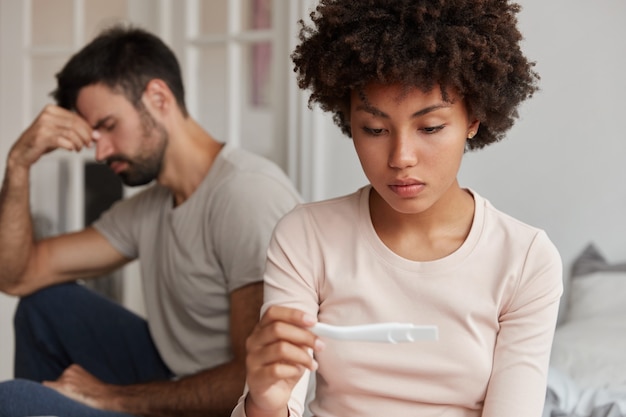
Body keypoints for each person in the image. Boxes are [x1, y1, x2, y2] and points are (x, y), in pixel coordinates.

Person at [232, 1, 564, 416]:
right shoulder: (306, 236)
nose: (401, 156)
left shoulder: (526, 259)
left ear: (474, 117)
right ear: (347, 119)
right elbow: (278, 401)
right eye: (374, 129)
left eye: (430, 127)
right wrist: (264, 401)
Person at [0, 24, 302, 417]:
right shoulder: (151, 206)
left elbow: (258, 383)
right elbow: (16, 275)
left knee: (13, 401)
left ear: (159, 97)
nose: (101, 152)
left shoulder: (245, 195)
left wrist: (113, 398)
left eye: (108, 126)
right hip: (177, 376)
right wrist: (18, 163)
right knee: (44, 306)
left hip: (232, 407)